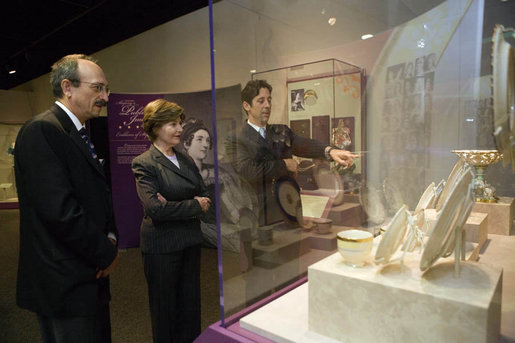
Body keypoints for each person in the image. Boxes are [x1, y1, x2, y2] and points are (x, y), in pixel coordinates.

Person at [14, 54, 119, 343]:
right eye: (97, 88)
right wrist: (106, 252)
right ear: (67, 87)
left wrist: (110, 236)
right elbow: (59, 211)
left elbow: (96, 195)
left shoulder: (79, 131)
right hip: (64, 282)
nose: (105, 97)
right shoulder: (42, 130)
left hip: (87, 275)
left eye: (106, 89)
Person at [131, 99, 210, 343]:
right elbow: (155, 209)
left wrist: (175, 205)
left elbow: (205, 195)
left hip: (189, 242)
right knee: (164, 311)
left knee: (190, 308)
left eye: (180, 123)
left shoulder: (185, 159)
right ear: (155, 127)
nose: (179, 129)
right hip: (161, 247)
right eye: (172, 124)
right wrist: (193, 204)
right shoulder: (144, 162)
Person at [233, 79, 357, 225]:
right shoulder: (237, 139)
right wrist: (284, 165)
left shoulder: (281, 131)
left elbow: (303, 144)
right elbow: (247, 171)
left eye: (269, 100)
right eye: (261, 101)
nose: (267, 105)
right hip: (262, 216)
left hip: (291, 209)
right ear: (246, 105)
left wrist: (330, 151)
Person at [181, 118, 257, 252]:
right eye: (199, 139)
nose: (205, 145)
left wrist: (239, 219)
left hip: (219, 223)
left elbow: (228, 200)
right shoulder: (178, 173)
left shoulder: (215, 173)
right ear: (187, 143)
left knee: (246, 238)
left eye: (208, 140)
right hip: (194, 227)